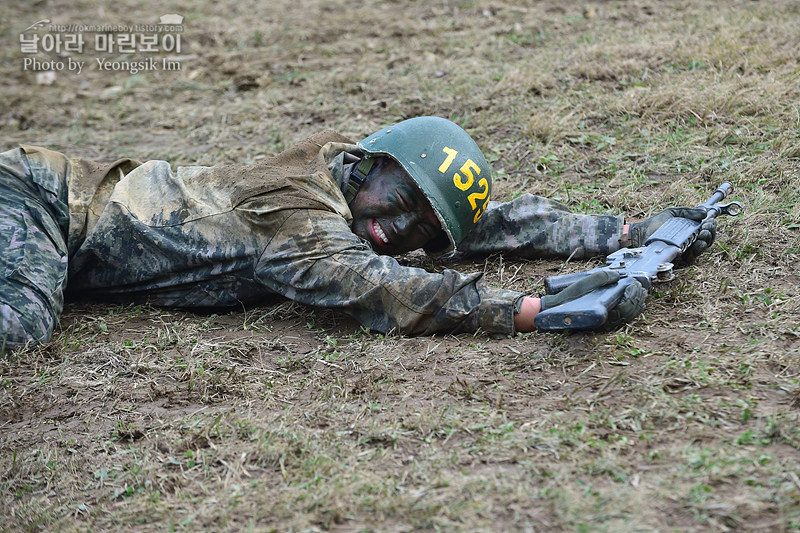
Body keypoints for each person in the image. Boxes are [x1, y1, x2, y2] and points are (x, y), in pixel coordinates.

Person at [0, 117, 715, 349]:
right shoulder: (299, 209)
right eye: (397, 201)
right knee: (22, 321)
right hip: (36, 196)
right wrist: (536, 311)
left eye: (418, 226)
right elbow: (383, 289)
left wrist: (626, 229)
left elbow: (481, 218)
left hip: (60, 208)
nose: (394, 229)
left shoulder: (359, 181)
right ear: (367, 163)